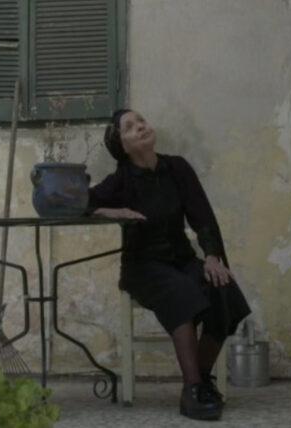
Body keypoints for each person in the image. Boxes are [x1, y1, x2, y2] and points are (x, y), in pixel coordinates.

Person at [88, 109, 251, 421]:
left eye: (141, 121)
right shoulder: (121, 180)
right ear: (122, 145)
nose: (140, 127)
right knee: (181, 292)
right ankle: (193, 390)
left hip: (182, 260)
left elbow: (202, 216)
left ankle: (200, 380)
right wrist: (111, 211)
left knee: (223, 289)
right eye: (130, 127)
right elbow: (79, 202)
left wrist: (212, 257)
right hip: (142, 267)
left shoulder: (178, 168)